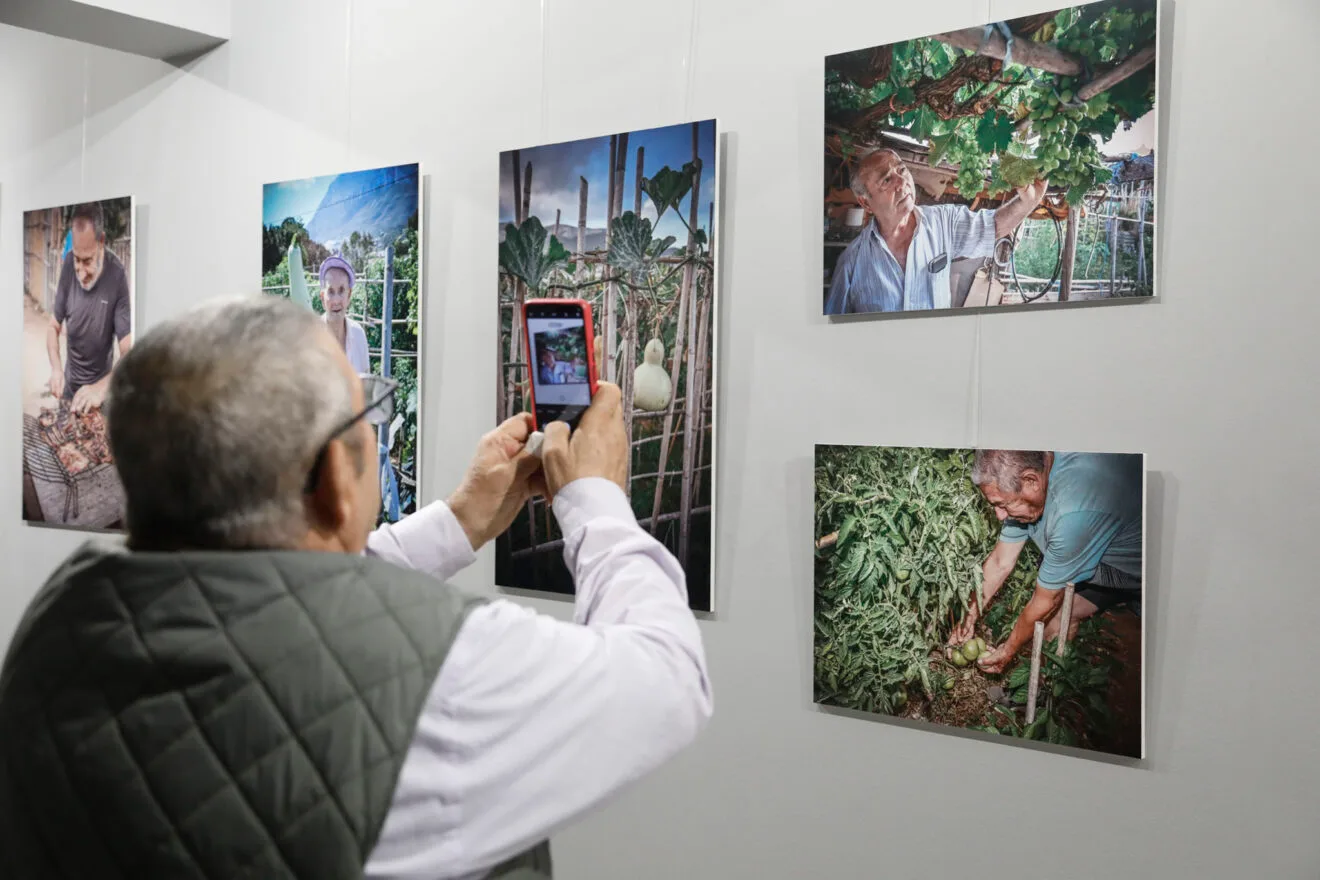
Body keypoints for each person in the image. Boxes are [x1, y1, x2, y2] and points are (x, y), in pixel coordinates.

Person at [0, 295, 712, 880]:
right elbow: (668, 675)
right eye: (364, 416)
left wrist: (456, 522)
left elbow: (274, 610)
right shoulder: (447, 675)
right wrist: (596, 501)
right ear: (333, 480)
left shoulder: (53, 629)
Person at [950, 449, 1143, 674]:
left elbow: (1045, 601)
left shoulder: (1072, 512)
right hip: (1102, 551)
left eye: (1002, 505)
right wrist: (969, 615)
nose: (999, 516)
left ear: (1031, 480)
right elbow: (1000, 562)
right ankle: (1047, 686)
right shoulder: (1036, 478)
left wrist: (1008, 650)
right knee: (1059, 618)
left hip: (1144, 565)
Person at [824, 149, 1049, 314]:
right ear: (865, 202)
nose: (902, 182)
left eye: (902, 170)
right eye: (886, 180)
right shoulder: (851, 263)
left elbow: (992, 227)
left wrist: (1028, 201)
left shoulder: (944, 221)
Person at [46, 201, 133, 412]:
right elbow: (52, 327)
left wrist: (99, 389)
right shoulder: (68, 265)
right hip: (69, 390)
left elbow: (129, 351)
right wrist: (56, 369)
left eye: (87, 261)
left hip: (99, 397)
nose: (80, 271)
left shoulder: (117, 276)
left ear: (101, 241)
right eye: (77, 259)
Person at [319, 254, 370, 374]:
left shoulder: (359, 335)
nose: (336, 300)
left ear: (349, 295)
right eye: (330, 292)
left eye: (341, 291)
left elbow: (366, 386)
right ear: (322, 298)